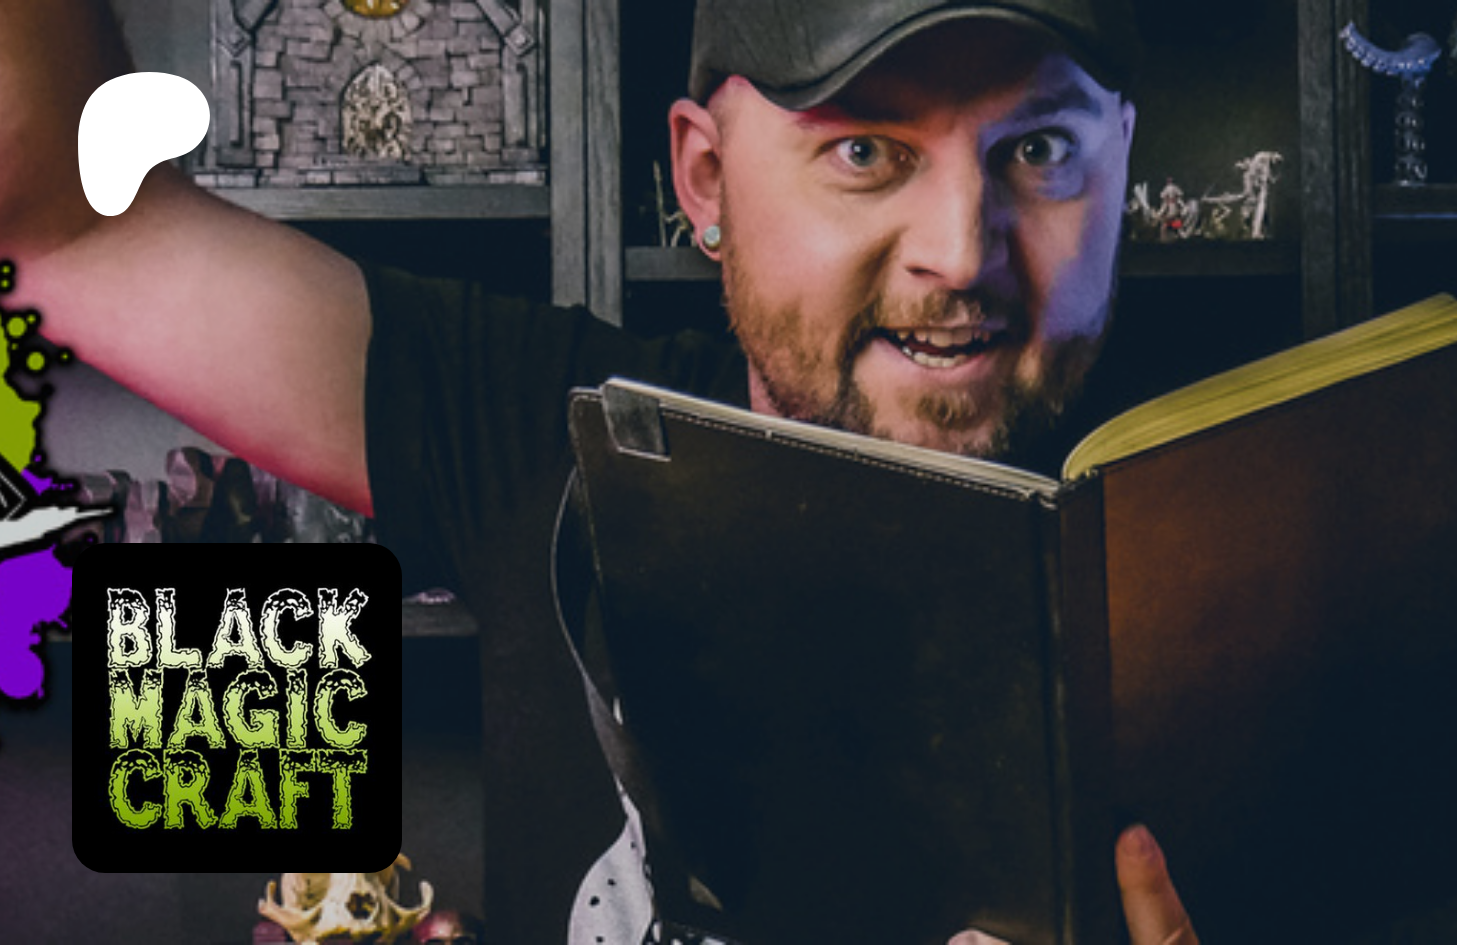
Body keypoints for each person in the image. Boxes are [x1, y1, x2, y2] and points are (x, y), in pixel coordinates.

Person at [0, 0, 1198, 942]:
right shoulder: (542, 425)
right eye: (866, 151)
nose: (961, 252)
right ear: (706, 179)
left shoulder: (1259, 545)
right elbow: (61, 218)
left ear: (1124, 161)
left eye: (1041, 148)